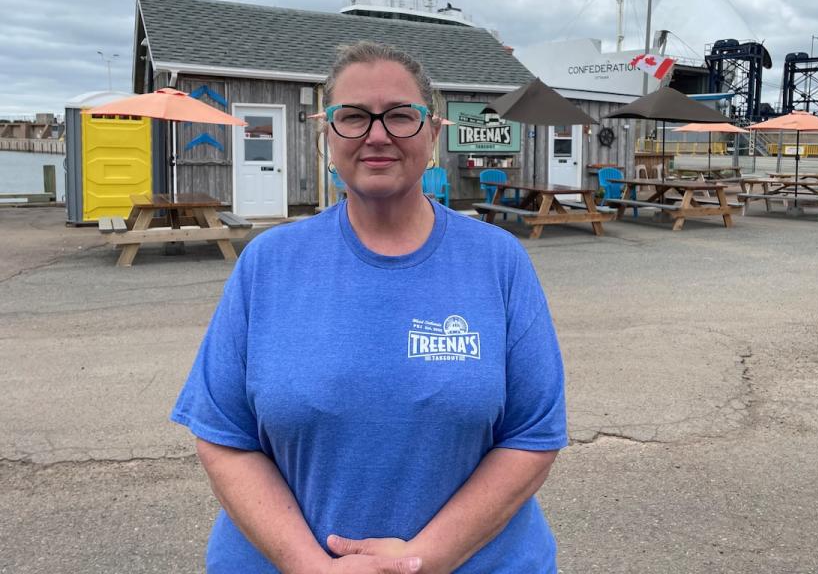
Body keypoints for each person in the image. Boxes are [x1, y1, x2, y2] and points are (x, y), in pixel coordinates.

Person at [171, 41, 567, 573]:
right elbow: (224, 437)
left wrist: (425, 558)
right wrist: (312, 566)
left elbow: (533, 435)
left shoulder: (497, 261)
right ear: (326, 134)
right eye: (352, 117)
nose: (377, 135)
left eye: (400, 116)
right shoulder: (269, 263)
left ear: (432, 132)